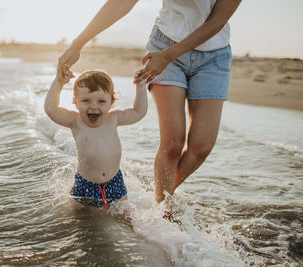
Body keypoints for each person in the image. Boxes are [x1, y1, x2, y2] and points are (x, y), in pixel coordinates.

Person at [56, 0, 242, 203]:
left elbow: (217, 21)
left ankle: (158, 196)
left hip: (212, 57)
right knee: (172, 144)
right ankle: (163, 210)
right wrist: (77, 43)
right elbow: (121, 3)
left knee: (201, 147)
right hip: (164, 44)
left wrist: (167, 56)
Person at [44, 67, 148, 209]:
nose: (94, 107)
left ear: (111, 102)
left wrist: (141, 86)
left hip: (114, 182)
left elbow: (139, 112)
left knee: (125, 219)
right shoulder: (75, 121)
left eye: (101, 101)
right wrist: (59, 82)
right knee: (80, 224)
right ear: (75, 101)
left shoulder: (114, 118)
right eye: (86, 100)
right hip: (85, 185)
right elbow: (51, 109)